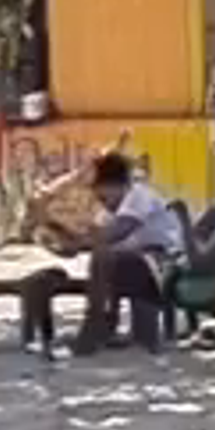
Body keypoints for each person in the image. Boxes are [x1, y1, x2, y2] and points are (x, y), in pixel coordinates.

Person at [78, 146, 189, 345]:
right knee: (106, 256)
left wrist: (82, 239)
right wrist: (66, 241)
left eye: (104, 197)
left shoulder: (139, 195)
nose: (103, 204)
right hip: (143, 260)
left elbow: (117, 232)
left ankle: (97, 325)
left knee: (107, 256)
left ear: (117, 185)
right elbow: (94, 239)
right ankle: (104, 324)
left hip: (166, 260)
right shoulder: (111, 210)